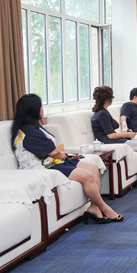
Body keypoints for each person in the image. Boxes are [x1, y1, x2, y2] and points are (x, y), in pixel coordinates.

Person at [10, 94, 122, 224]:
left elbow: (52, 151)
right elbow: (53, 152)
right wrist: (61, 155)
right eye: (41, 107)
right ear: (33, 110)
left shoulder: (32, 127)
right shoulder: (29, 132)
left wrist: (61, 155)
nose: (42, 109)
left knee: (93, 168)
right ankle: (105, 207)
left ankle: (94, 207)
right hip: (44, 167)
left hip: (52, 161)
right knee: (88, 176)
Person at [91, 86, 137, 188]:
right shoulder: (102, 113)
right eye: (111, 96)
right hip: (109, 142)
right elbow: (110, 135)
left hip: (112, 140)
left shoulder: (102, 112)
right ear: (108, 99)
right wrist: (127, 134)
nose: (113, 98)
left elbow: (114, 126)